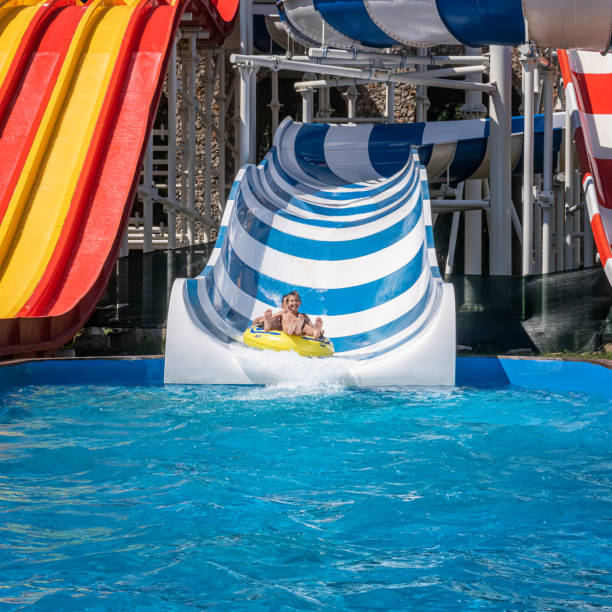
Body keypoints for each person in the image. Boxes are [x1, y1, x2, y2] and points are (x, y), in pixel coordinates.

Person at [253, 291, 324, 339]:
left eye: (296, 301)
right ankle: (267, 325)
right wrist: (263, 320)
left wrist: (317, 329)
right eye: (291, 301)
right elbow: (273, 316)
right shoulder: (284, 313)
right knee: (275, 321)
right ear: (285, 304)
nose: (294, 303)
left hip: (298, 330)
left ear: (300, 303)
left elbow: (310, 324)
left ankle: (315, 333)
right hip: (287, 328)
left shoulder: (302, 315)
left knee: (305, 327)